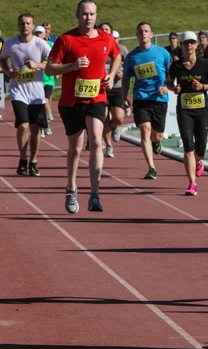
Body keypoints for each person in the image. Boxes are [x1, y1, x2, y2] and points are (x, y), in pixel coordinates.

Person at [46, 0, 121, 213]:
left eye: (92, 14)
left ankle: (95, 193)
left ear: (96, 15)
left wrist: (112, 75)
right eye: (84, 14)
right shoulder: (66, 39)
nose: (88, 18)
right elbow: (50, 69)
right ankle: (71, 188)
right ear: (77, 15)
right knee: (76, 148)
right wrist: (72, 66)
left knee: (97, 140)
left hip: (97, 97)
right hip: (71, 102)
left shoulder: (105, 38)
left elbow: (117, 56)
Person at [166, 31, 208, 196]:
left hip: (202, 109)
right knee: (188, 145)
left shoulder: (204, 64)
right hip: (184, 109)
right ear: (181, 45)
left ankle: (200, 159)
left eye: (192, 43)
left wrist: (202, 87)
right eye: (185, 43)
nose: (189, 46)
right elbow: (168, 82)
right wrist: (174, 88)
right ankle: (192, 183)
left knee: (200, 146)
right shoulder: (176, 65)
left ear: (196, 45)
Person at [0, 13, 51, 177]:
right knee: (23, 125)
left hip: (36, 93)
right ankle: (23, 158)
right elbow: (1, 59)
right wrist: (8, 71)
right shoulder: (10, 44)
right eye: (22, 23)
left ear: (33, 25)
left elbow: (53, 62)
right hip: (18, 92)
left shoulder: (41, 44)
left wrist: (37, 65)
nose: (25, 26)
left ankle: (33, 161)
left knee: (35, 129)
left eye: (28, 23)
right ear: (18, 25)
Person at [122, 21, 170, 180]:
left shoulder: (162, 53)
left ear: (151, 34)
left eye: (146, 31)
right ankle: (151, 167)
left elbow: (172, 74)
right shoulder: (131, 57)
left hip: (159, 98)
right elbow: (126, 78)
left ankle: (156, 143)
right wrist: (124, 97)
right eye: (140, 31)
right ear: (136, 35)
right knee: (144, 129)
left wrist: (167, 87)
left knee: (157, 135)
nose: (143, 33)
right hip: (141, 98)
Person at [99, 23, 128, 158]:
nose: (104, 31)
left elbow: (129, 66)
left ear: (111, 33)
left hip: (116, 87)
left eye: (107, 30)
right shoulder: (96, 46)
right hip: (101, 89)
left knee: (119, 118)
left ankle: (114, 126)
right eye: (102, 29)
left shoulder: (121, 49)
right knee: (104, 117)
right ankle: (109, 146)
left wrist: (122, 72)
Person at [33, 25, 54, 137]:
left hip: (48, 79)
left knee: (46, 100)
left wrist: (58, 71)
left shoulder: (50, 45)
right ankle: (44, 126)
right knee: (40, 104)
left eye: (40, 33)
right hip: (36, 80)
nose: (38, 35)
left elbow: (56, 59)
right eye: (36, 33)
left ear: (45, 34)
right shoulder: (31, 46)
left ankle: (48, 116)